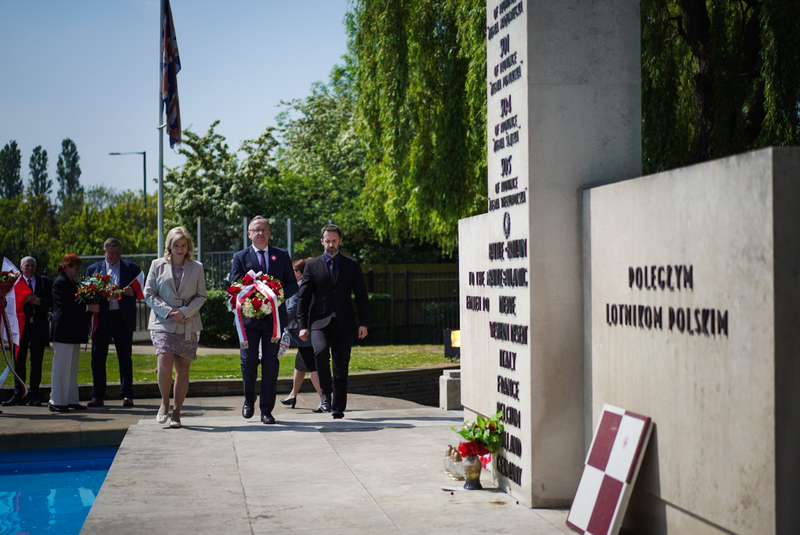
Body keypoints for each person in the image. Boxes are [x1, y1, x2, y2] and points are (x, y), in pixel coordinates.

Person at [230, 216, 297, 424]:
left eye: (264, 230)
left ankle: (266, 410)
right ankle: (249, 400)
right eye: (256, 230)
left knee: (270, 364)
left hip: (274, 322)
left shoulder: (282, 255)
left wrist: (274, 298)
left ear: (270, 234)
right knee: (248, 362)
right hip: (248, 320)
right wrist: (255, 300)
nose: (260, 233)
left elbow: (292, 284)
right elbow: (235, 285)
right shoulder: (240, 257)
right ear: (249, 234)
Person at [297, 224, 369, 419]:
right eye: (327, 241)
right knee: (319, 353)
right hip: (319, 322)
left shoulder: (351, 264)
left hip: (344, 323)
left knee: (340, 366)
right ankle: (326, 395)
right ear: (322, 241)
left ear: (340, 241)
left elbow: (361, 295)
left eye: (334, 241)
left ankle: (338, 408)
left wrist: (364, 323)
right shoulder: (312, 266)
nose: (331, 244)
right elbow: (303, 298)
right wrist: (302, 325)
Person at [144, 227, 207, 429]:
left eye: (183, 245)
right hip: (162, 321)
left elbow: (201, 296)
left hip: (188, 322)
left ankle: (177, 412)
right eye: (176, 245)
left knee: (182, 369)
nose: (179, 249)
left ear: (188, 246)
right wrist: (169, 311)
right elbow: (149, 294)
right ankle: (164, 403)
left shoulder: (197, 267)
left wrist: (184, 312)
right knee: (164, 361)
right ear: (169, 246)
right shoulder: (156, 265)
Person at [85, 238, 142, 408]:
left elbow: (142, 290)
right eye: (111, 253)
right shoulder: (93, 269)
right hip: (102, 317)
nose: (114, 256)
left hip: (122, 318)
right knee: (98, 358)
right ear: (105, 252)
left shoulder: (132, 268)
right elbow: (87, 294)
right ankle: (97, 395)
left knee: (125, 357)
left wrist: (133, 292)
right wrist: (102, 296)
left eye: (117, 253)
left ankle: (127, 395)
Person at [49, 254, 99, 412]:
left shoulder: (73, 283)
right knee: (61, 368)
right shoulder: (60, 283)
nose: (78, 270)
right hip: (63, 330)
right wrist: (88, 308)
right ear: (66, 267)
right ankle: (56, 400)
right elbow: (65, 307)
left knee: (71, 368)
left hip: (72, 331)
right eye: (76, 267)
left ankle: (70, 399)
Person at [2, 257, 52, 407]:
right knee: (19, 361)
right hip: (20, 327)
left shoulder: (44, 281)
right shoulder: (14, 282)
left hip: (38, 328)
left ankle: (34, 395)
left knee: (36, 363)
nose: (30, 268)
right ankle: (19, 394)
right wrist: (22, 301)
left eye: (32, 265)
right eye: (27, 265)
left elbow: (53, 301)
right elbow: (7, 303)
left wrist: (39, 301)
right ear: (21, 267)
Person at [279, 258, 323, 410]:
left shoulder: (298, 286)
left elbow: (293, 310)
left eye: (293, 272)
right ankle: (293, 395)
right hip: (308, 332)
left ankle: (324, 399)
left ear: (298, 273)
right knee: (300, 365)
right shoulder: (310, 284)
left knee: (312, 366)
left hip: (303, 334)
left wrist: (279, 323)